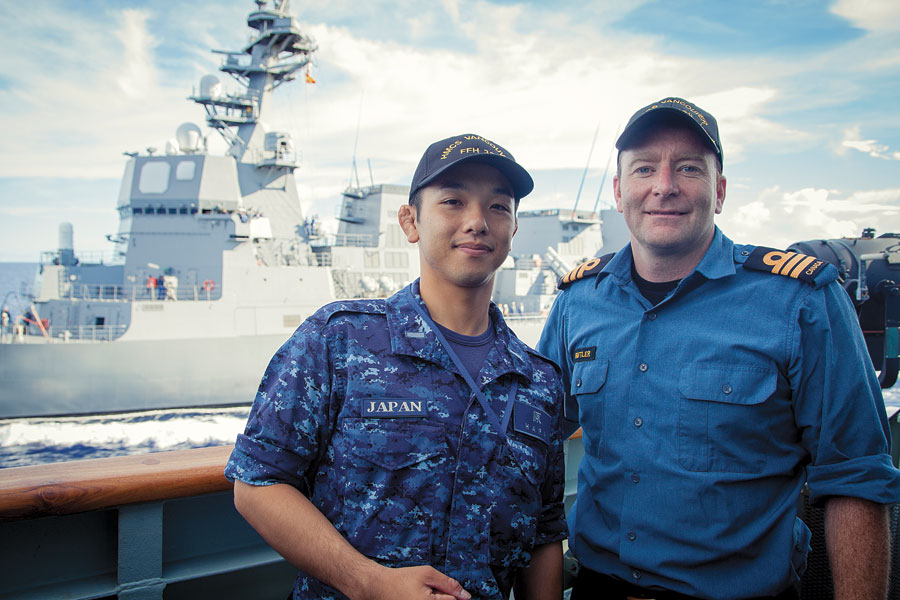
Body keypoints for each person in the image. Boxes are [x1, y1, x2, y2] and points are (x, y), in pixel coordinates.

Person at [538, 97, 900, 600]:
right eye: (644, 169)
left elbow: (855, 473)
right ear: (620, 192)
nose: (664, 186)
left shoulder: (798, 301)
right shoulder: (580, 301)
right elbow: (535, 440)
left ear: (720, 190)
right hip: (601, 587)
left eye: (688, 168)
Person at [226, 133, 568, 600]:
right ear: (411, 222)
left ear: (512, 229)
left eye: (498, 207)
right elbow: (258, 483)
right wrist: (368, 583)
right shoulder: (337, 340)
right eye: (452, 201)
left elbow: (545, 533)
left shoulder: (539, 382)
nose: (477, 222)